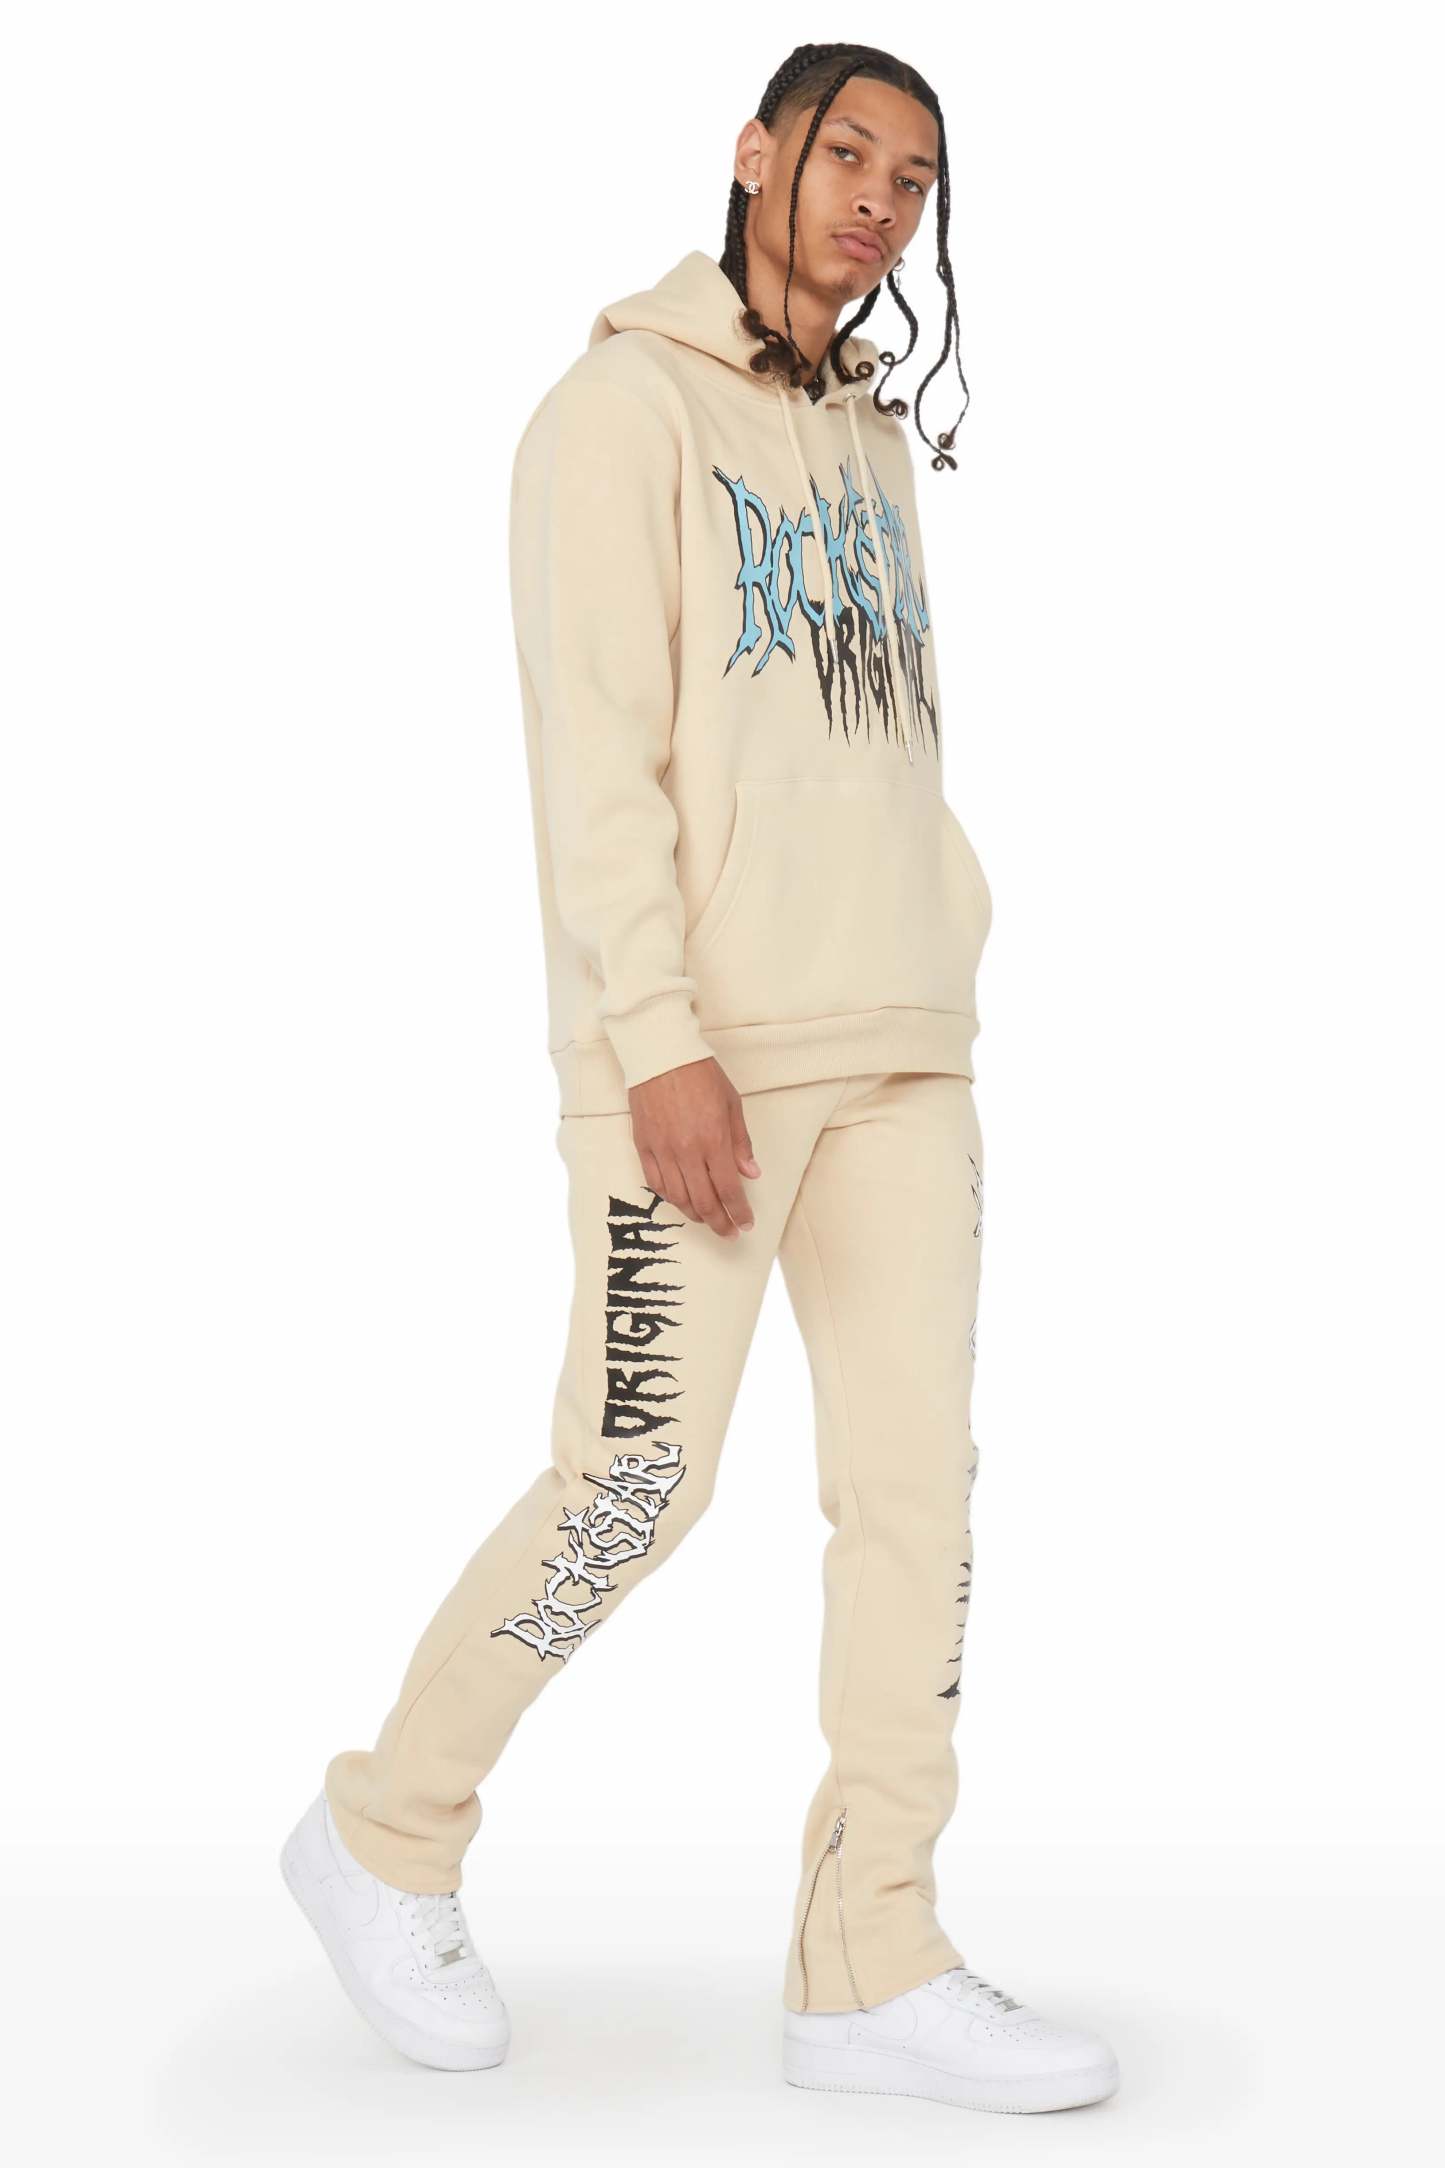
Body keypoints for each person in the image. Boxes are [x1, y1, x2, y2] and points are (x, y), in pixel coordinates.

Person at [280, 41, 1120, 2115]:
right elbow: (598, 759)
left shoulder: (876, 444)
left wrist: (942, 934)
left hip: (903, 1040)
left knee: (916, 1498)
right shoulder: (614, 415)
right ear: (757, 155)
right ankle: (387, 1833)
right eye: (849, 155)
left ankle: (870, 1954)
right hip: (704, 1063)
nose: (878, 201)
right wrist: (655, 1039)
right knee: (635, 1481)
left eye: (914, 178)